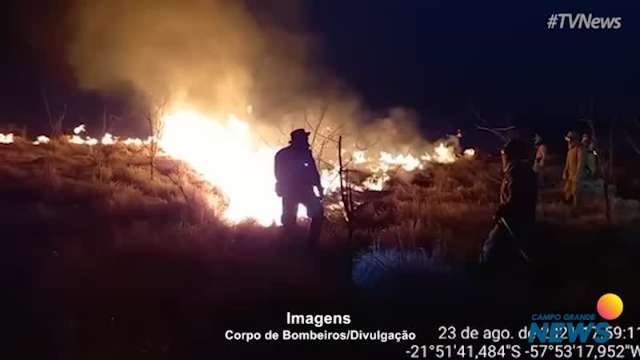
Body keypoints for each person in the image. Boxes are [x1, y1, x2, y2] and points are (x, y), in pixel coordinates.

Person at [480, 139, 537, 265]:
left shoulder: (517, 171)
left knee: (490, 251)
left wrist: (501, 211)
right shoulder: (522, 170)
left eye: (504, 154)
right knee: (513, 253)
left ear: (511, 155)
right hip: (520, 220)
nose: (503, 157)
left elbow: (516, 197)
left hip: (512, 221)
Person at [274, 129, 324, 247]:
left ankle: (305, 245)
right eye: (305, 138)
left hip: (297, 191)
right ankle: (293, 246)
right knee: (289, 220)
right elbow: (279, 174)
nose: (307, 140)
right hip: (294, 191)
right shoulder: (286, 154)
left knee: (292, 219)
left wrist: (319, 188)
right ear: (298, 140)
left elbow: (314, 172)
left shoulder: (300, 153)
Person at [562, 131, 585, 207]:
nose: (569, 143)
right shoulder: (570, 151)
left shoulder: (579, 149)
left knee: (575, 191)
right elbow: (567, 163)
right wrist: (565, 171)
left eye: (571, 140)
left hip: (575, 175)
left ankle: (576, 206)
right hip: (570, 175)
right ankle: (568, 204)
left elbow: (580, 163)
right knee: (567, 190)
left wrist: (577, 175)